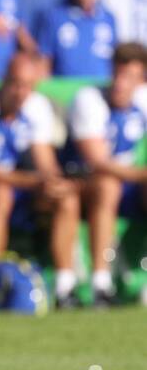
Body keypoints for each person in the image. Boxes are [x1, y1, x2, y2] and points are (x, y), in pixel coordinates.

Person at [0, 53, 80, 306]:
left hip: (21, 187)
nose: (20, 92)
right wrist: (36, 181)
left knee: (65, 198)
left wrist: (53, 181)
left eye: (27, 85)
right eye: (15, 83)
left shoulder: (37, 106)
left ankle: (65, 286)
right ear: (3, 80)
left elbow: (44, 160)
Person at [62, 42, 147, 306]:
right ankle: (101, 283)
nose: (121, 84)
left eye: (130, 77)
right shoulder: (89, 99)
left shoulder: (142, 100)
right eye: (118, 74)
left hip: (128, 185)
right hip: (83, 182)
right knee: (107, 185)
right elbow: (97, 162)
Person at [32, 0, 116, 79]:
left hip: (99, 95)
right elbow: (42, 64)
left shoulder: (109, 19)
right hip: (62, 96)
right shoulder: (53, 16)